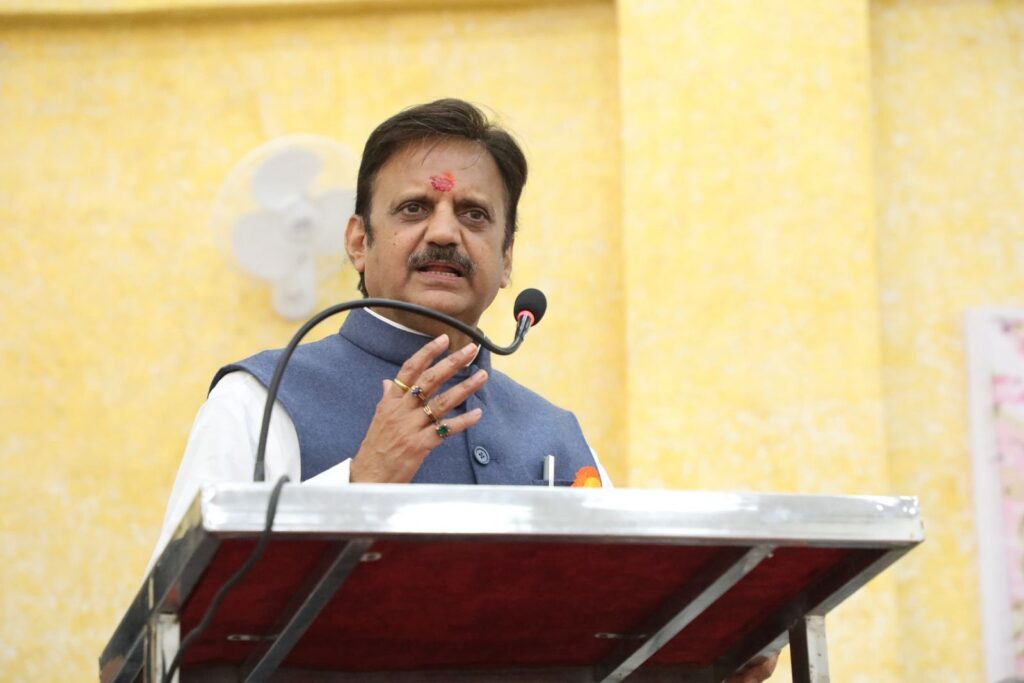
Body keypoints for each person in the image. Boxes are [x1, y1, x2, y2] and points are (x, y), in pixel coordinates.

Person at [152, 98, 776, 683]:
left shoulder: (556, 435)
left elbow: (609, 642)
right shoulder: (262, 399)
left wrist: (697, 663)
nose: (445, 233)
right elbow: (170, 637)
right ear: (358, 242)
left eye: (474, 214)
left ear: (506, 260)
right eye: (414, 209)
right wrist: (360, 484)